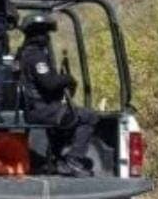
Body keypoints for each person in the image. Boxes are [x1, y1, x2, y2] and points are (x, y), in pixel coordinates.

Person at [16, 13, 97, 177]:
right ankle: (73, 160)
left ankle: (56, 160)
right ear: (37, 35)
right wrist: (67, 79)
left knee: (67, 117)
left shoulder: (24, 53)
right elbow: (49, 83)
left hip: (39, 109)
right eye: (44, 33)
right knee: (89, 116)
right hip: (42, 110)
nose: (47, 37)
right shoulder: (36, 56)